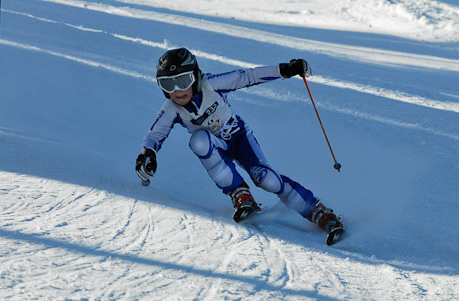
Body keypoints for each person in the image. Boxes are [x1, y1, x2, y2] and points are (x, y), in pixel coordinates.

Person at [135, 47, 343, 242]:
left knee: (267, 180)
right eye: (168, 84)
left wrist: (285, 70)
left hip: (238, 137)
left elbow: (247, 76)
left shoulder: (211, 85)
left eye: (183, 80)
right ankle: (239, 193)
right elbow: (155, 133)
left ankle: (317, 210)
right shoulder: (172, 108)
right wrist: (148, 154)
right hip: (214, 144)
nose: (178, 90)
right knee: (198, 141)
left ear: (196, 77)